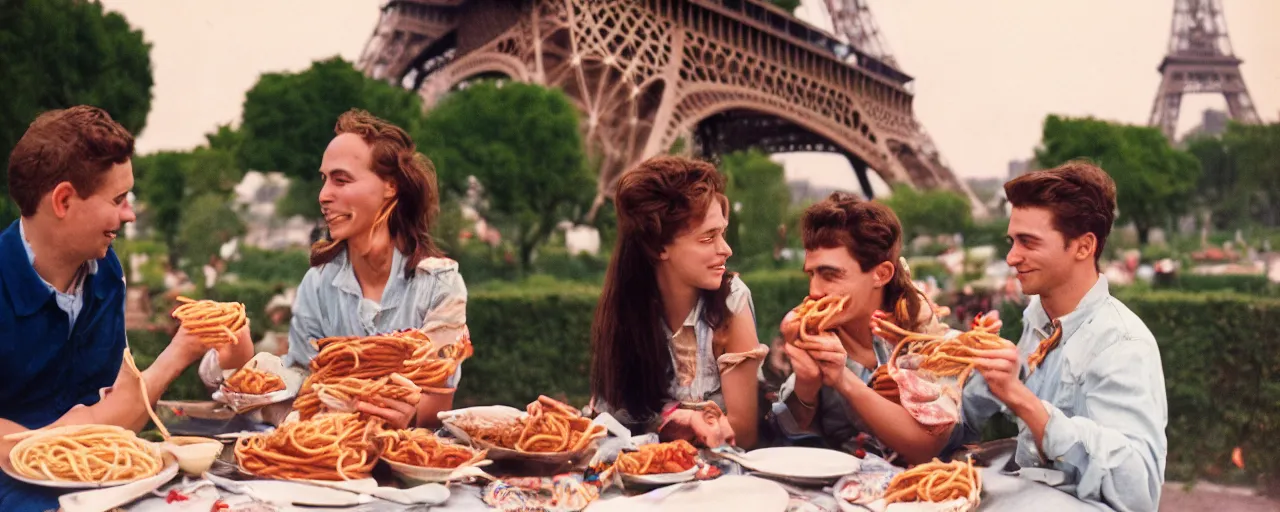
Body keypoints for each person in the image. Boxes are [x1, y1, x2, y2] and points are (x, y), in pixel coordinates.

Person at [0, 106, 249, 511]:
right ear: (63, 200)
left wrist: (183, 350)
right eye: (119, 199)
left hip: (108, 487)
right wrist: (71, 433)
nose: (130, 214)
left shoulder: (105, 272)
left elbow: (120, 415)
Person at [948, 162, 1167, 511]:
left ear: (1083, 247)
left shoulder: (1122, 344)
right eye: (1012, 241)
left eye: (1028, 243)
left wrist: (1023, 400)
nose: (1011, 257)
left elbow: (1137, 493)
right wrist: (956, 369)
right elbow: (968, 417)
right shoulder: (1039, 319)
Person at [283, 109, 467, 429]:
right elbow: (302, 389)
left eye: (341, 180)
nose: (324, 195)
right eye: (324, 180)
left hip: (407, 464)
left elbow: (437, 401)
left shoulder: (440, 284)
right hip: (330, 457)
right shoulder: (316, 284)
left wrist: (411, 414)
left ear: (390, 186)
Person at [588, 156, 766, 448]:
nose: (727, 249)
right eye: (708, 238)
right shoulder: (625, 309)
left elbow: (744, 434)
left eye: (722, 233)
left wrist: (676, 428)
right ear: (659, 246)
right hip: (647, 478)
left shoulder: (731, 302)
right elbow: (610, 424)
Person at [771, 193, 951, 463]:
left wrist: (842, 379)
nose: (814, 291)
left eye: (831, 274)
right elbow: (783, 445)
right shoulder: (814, 334)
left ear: (881, 274)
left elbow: (926, 445)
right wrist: (806, 386)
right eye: (812, 274)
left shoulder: (922, 334)